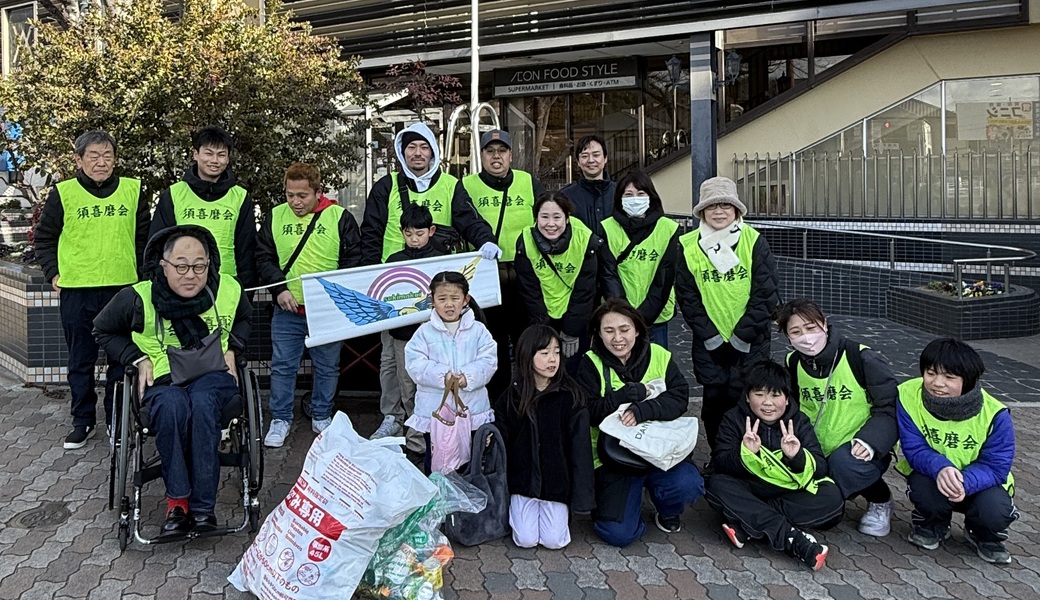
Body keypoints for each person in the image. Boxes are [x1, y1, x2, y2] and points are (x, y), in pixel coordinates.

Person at [93, 225, 252, 536]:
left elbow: (245, 318)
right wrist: (137, 359)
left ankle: (204, 509)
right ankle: (177, 503)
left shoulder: (229, 289)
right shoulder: (137, 297)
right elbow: (102, 329)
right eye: (181, 266)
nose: (190, 274)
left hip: (214, 375)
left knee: (204, 402)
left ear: (210, 264)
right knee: (173, 405)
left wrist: (233, 347)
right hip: (164, 381)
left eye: (199, 266)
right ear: (162, 266)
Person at [361, 122, 502, 442]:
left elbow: (470, 221)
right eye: (411, 147)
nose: (418, 153)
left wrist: (486, 241)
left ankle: (428, 415)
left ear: (434, 151)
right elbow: (370, 232)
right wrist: (369, 277)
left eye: (424, 147)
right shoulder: (386, 186)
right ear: (402, 152)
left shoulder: (451, 185)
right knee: (390, 358)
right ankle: (391, 416)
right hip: (394, 287)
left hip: (441, 290)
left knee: (434, 355)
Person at [34, 130, 149, 449]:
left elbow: (144, 241)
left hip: (122, 291)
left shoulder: (132, 190)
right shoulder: (65, 193)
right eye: (94, 156)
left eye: (107, 156)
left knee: (120, 361)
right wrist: (53, 273)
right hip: (77, 292)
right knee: (80, 361)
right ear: (79, 159)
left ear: (115, 158)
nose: (101, 162)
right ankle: (82, 420)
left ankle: (116, 420)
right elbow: (44, 239)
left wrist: (143, 278)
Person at [575, 298, 704, 547]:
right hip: (613, 458)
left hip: (659, 449)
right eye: (608, 331)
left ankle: (666, 507)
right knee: (617, 534)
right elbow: (587, 411)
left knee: (688, 483)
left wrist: (645, 409)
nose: (617, 338)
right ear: (598, 334)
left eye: (624, 329)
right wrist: (621, 398)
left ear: (637, 329)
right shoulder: (590, 362)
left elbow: (679, 397)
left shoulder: (659, 355)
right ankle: (627, 502)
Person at [256, 163, 362, 447]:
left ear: (318, 191)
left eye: (303, 195)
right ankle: (280, 418)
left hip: (326, 309)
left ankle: (322, 413)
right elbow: (264, 257)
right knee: (282, 366)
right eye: (290, 195)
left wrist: (335, 295)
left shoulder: (339, 217)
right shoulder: (275, 217)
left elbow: (353, 260)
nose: (295, 202)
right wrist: (278, 289)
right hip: (287, 307)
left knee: (327, 366)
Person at [775, 298, 899, 537]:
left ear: (824, 324)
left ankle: (881, 500)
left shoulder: (860, 357)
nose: (806, 337)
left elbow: (890, 405)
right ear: (788, 337)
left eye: (811, 327)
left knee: (845, 466)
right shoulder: (793, 362)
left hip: (857, 445)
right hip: (816, 442)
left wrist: (871, 441)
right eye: (796, 331)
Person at [704, 360, 844, 571]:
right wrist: (747, 454)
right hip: (750, 487)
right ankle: (793, 539)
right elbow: (721, 462)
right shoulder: (733, 418)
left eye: (775, 395)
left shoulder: (799, 421)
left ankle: (748, 524)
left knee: (832, 497)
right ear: (747, 396)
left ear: (787, 399)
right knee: (715, 484)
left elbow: (820, 467)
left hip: (787, 491)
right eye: (759, 394)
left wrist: (796, 456)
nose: (767, 403)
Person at [675, 176, 778, 449]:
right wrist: (712, 338)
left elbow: (766, 295)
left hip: (750, 342)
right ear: (702, 211)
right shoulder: (687, 245)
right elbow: (688, 298)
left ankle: (748, 456)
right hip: (710, 344)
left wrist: (740, 338)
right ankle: (719, 456)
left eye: (725, 205)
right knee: (713, 403)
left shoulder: (754, 241)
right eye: (712, 206)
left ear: (736, 210)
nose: (719, 212)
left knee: (748, 401)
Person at [898, 338, 1018, 564]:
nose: (937, 383)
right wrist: (940, 468)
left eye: (950, 377)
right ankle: (933, 524)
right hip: (934, 475)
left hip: (981, 483)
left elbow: (997, 465)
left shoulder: (996, 414)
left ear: (969, 380)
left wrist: (965, 482)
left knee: (995, 510)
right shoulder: (907, 394)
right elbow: (913, 448)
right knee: (923, 489)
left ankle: (983, 534)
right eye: (931, 373)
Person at [493, 324, 595, 549]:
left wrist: (581, 497)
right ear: (527, 355)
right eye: (545, 353)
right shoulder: (513, 396)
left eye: (557, 352)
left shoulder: (570, 396)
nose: (552, 359)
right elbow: (501, 433)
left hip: (556, 484)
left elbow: (580, 450)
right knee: (525, 539)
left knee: (555, 541)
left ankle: (558, 511)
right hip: (523, 482)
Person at [462, 129, 545, 400]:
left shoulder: (528, 182)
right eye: (490, 151)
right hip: (488, 274)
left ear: (511, 155)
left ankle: (528, 395)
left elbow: (547, 217)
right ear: (482, 155)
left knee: (526, 338)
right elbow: (463, 221)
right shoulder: (467, 185)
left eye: (501, 151)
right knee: (492, 340)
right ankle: (498, 400)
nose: (496, 157)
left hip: (524, 273)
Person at [514, 192, 623, 374]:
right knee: (544, 370)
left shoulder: (585, 240)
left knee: (573, 369)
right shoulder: (525, 241)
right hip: (541, 316)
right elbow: (529, 291)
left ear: (567, 218)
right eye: (544, 217)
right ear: (535, 218)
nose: (551, 224)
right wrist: (544, 331)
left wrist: (571, 330)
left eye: (557, 217)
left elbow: (585, 292)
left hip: (576, 317)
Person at [405, 271, 497, 473]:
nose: (449, 304)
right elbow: (414, 364)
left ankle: (466, 498)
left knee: (470, 460)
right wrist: (443, 376)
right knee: (437, 458)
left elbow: (489, 361)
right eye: (442, 299)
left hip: (472, 408)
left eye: (455, 298)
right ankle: (438, 499)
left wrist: (467, 377)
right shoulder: (424, 332)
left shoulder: (479, 331)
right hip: (436, 411)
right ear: (432, 300)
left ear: (466, 300)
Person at [149, 126, 257, 289]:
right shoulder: (174, 194)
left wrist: (244, 291)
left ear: (228, 159)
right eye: (209, 153)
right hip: (182, 285)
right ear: (196, 154)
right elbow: (157, 244)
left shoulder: (240, 197)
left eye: (221, 155)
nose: (215, 160)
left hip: (226, 285)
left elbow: (246, 251)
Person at [379, 203, 446, 458]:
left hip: (435, 335)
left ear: (431, 230)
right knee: (408, 389)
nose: (414, 239)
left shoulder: (442, 259)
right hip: (402, 336)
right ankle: (416, 443)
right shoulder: (393, 261)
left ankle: (439, 439)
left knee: (434, 386)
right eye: (409, 234)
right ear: (402, 233)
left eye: (419, 233)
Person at [600, 169, 679, 348]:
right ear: (619, 198)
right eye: (628, 194)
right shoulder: (607, 227)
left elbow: (665, 276)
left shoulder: (667, 228)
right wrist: (624, 313)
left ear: (651, 196)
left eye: (640, 193)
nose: (634, 199)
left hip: (655, 317)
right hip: (617, 316)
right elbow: (608, 274)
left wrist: (643, 317)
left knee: (655, 369)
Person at [561, 134, 615, 239]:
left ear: (605, 158)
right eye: (585, 156)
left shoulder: (620, 192)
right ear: (578, 162)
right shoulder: (565, 196)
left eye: (596, 155)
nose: (591, 160)